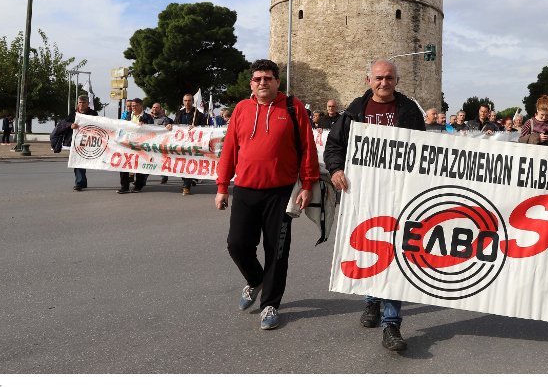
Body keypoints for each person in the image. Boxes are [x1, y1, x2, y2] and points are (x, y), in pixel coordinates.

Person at [324, 58, 426, 352]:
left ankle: (391, 324)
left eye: (390, 78)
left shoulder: (408, 111)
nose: (384, 83)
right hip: (364, 194)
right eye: (379, 78)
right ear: (368, 79)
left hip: (399, 196)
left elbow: (425, 150)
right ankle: (371, 301)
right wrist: (336, 170)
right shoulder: (355, 110)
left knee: (394, 254)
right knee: (371, 247)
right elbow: (335, 146)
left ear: (397, 80)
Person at [214, 59, 319, 331]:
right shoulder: (241, 109)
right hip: (246, 190)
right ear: (252, 83)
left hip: (281, 193)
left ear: (277, 82)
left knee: (277, 251)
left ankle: (270, 304)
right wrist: (222, 186)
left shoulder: (293, 108)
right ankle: (255, 279)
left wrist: (307, 185)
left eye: (268, 78)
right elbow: (229, 150)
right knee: (237, 244)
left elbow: (308, 149)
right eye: (258, 78)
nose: (263, 82)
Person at [168, 93, 208, 195]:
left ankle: (186, 186)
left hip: (192, 144)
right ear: (183, 102)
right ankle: (187, 181)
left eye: (189, 101)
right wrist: (170, 125)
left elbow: (205, 127)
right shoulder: (179, 113)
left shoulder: (198, 114)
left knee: (189, 163)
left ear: (192, 102)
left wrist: (196, 127)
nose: (187, 103)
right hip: (180, 143)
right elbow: (175, 124)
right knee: (181, 164)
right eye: (185, 101)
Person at [117, 97, 152, 194]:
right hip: (127, 144)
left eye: (136, 105)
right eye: (132, 106)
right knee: (123, 164)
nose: (134, 107)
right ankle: (124, 186)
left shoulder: (147, 117)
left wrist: (145, 125)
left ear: (141, 106)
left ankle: (138, 185)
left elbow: (153, 130)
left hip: (140, 145)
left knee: (139, 164)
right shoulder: (127, 116)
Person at [67, 96, 98, 191]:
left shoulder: (93, 114)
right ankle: (80, 183)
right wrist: (70, 125)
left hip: (90, 142)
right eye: (80, 102)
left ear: (88, 104)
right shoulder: (73, 114)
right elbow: (64, 123)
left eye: (84, 102)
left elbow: (99, 125)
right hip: (77, 143)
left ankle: (82, 182)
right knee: (77, 161)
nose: (81, 104)